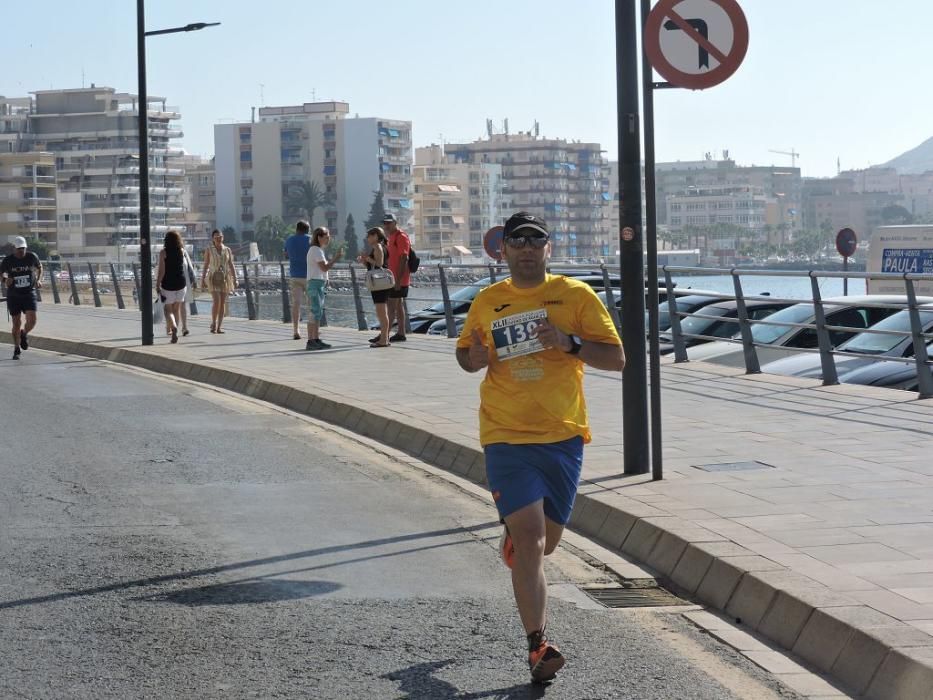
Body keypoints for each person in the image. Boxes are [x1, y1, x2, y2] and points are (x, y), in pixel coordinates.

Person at [455, 212, 625, 684]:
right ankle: (538, 645)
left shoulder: (575, 296)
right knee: (530, 541)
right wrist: (476, 357)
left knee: (545, 545)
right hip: (505, 434)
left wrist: (570, 343)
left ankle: (515, 535)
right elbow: (465, 355)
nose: (527, 248)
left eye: (536, 240)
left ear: (548, 248)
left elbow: (617, 358)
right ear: (503, 250)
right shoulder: (489, 301)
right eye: (517, 241)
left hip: (563, 438)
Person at [1, 236, 42, 360]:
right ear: (13, 248)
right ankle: (16, 348)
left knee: (32, 320)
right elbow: (0, 273)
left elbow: (40, 267)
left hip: (29, 293)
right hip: (14, 295)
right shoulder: (8, 261)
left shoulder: (32, 257)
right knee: (16, 322)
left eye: (23, 248)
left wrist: (39, 280)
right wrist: (4, 280)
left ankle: (24, 333)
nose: (21, 251)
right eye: (19, 249)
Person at [305, 226, 343, 350]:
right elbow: (324, 268)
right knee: (315, 312)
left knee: (317, 312)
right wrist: (336, 258)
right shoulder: (316, 250)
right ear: (319, 237)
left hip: (318, 283)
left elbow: (322, 269)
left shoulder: (317, 250)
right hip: (315, 283)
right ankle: (311, 340)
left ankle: (315, 339)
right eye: (326, 237)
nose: (328, 239)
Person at [358, 226, 391, 348]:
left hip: (379, 283)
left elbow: (379, 264)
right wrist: (364, 261)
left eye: (369, 236)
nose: (367, 238)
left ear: (376, 236)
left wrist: (367, 258)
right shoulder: (381, 246)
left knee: (381, 313)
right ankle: (385, 338)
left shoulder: (377, 246)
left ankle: (384, 340)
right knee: (382, 312)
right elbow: (374, 265)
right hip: (380, 283)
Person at [200, 229, 237, 333]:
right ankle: (213, 322)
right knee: (217, 301)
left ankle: (219, 326)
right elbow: (206, 265)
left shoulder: (227, 250)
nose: (218, 239)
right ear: (213, 238)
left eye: (220, 237)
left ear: (223, 237)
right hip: (213, 278)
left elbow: (231, 264)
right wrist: (202, 279)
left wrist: (235, 279)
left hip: (225, 278)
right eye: (216, 237)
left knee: (223, 302)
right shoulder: (209, 249)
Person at [155, 230, 188, 343]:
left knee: (168, 310)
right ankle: (176, 331)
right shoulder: (182, 251)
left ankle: (173, 327)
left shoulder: (163, 253)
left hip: (168, 284)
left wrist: (157, 284)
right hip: (181, 284)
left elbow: (162, 271)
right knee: (177, 309)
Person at [383, 212, 411, 342]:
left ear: (395, 223)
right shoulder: (391, 237)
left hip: (399, 279)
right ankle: (401, 332)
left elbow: (404, 258)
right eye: (385, 223)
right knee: (398, 305)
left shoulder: (401, 236)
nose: (386, 225)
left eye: (389, 223)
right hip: (393, 278)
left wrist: (398, 280)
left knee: (391, 306)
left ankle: (384, 335)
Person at [284, 220, 312, 340]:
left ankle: (296, 330)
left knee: (296, 304)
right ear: (307, 229)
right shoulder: (311, 240)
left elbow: (286, 254)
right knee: (312, 304)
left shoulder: (289, 240)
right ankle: (312, 330)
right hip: (310, 276)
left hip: (295, 275)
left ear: (297, 229)